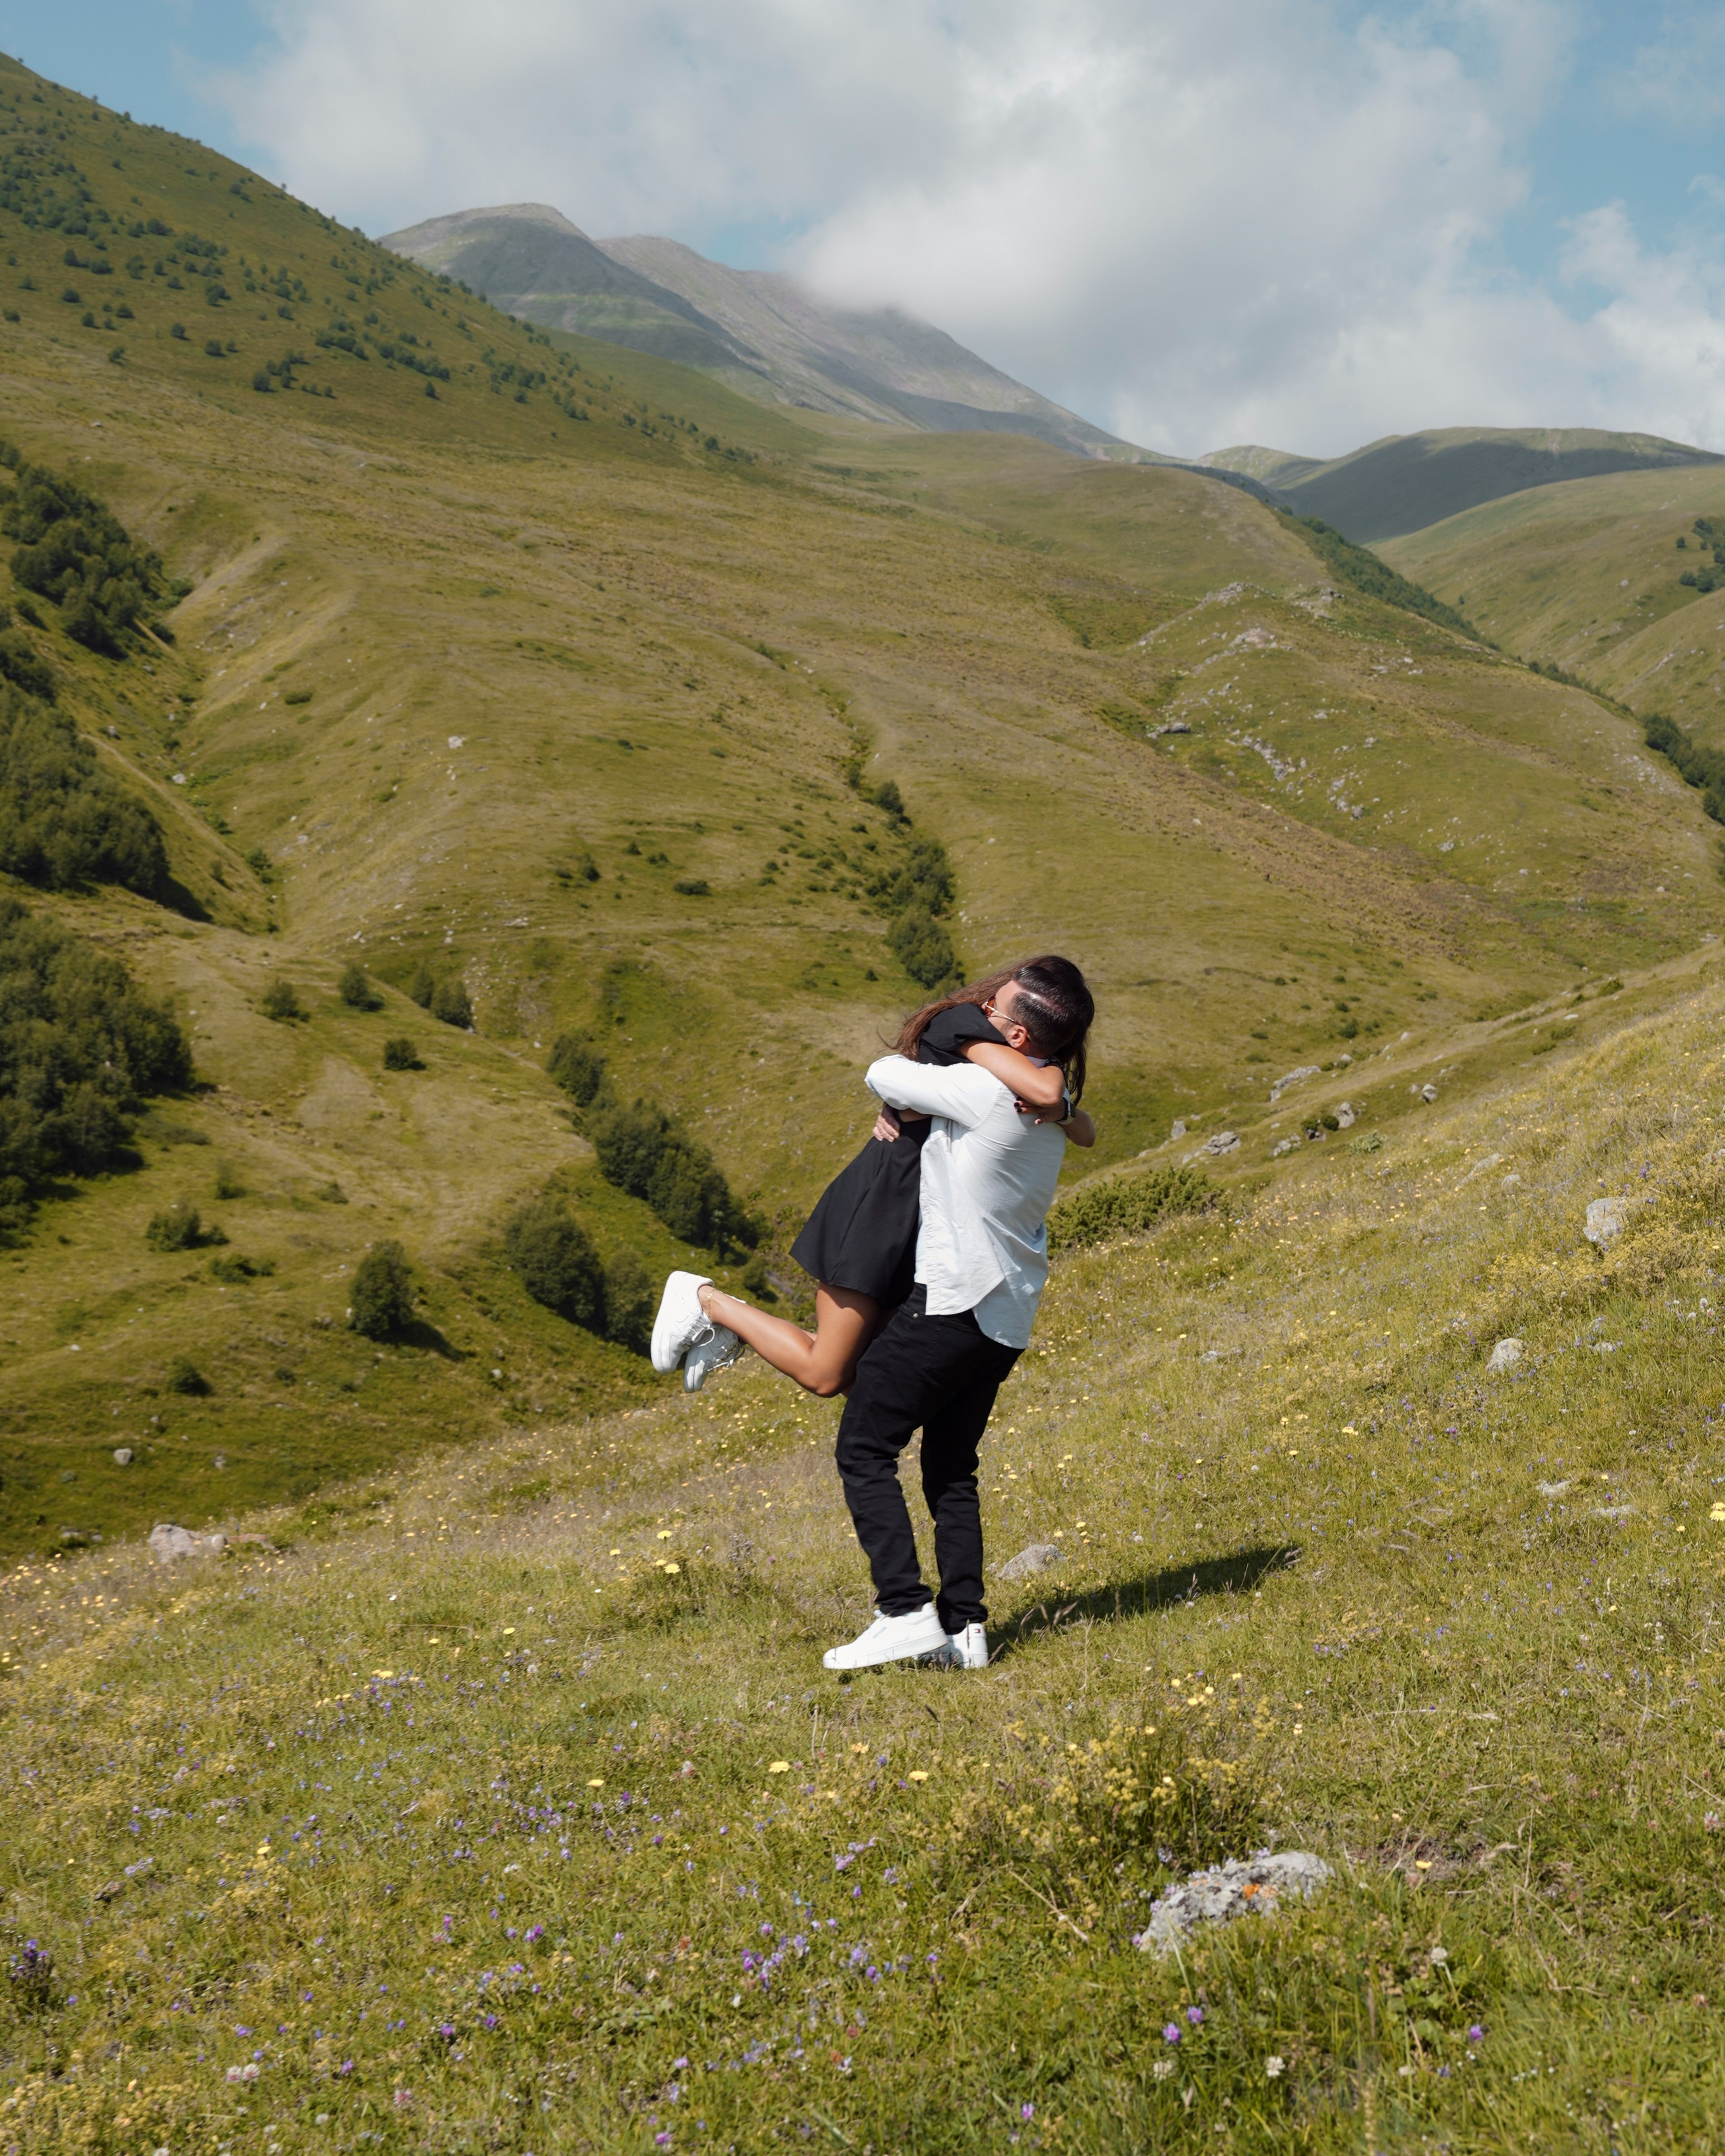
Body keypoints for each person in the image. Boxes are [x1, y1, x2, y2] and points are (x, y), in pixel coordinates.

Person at [819, 956, 1094, 1674]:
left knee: (864, 1447)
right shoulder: (1048, 1115)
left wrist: (965, 1045)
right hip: (1006, 1317)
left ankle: (903, 1608)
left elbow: (883, 1070)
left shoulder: (977, 1086)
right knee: (949, 1466)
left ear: (1009, 1028)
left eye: (990, 1007)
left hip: (951, 1300)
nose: (976, 1008)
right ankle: (966, 1627)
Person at [650, 959, 1094, 1395]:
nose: (986, 1005)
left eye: (996, 1004)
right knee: (829, 1375)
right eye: (993, 1000)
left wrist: (1062, 1104)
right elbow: (1046, 1092)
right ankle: (706, 1300)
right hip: (885, 1204)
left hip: (928, 1224)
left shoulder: (1015, 1059)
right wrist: (1058, 1097)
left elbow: (1082, 1127)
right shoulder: (962, 1024)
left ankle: (731, 1327)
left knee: (869, 1375)